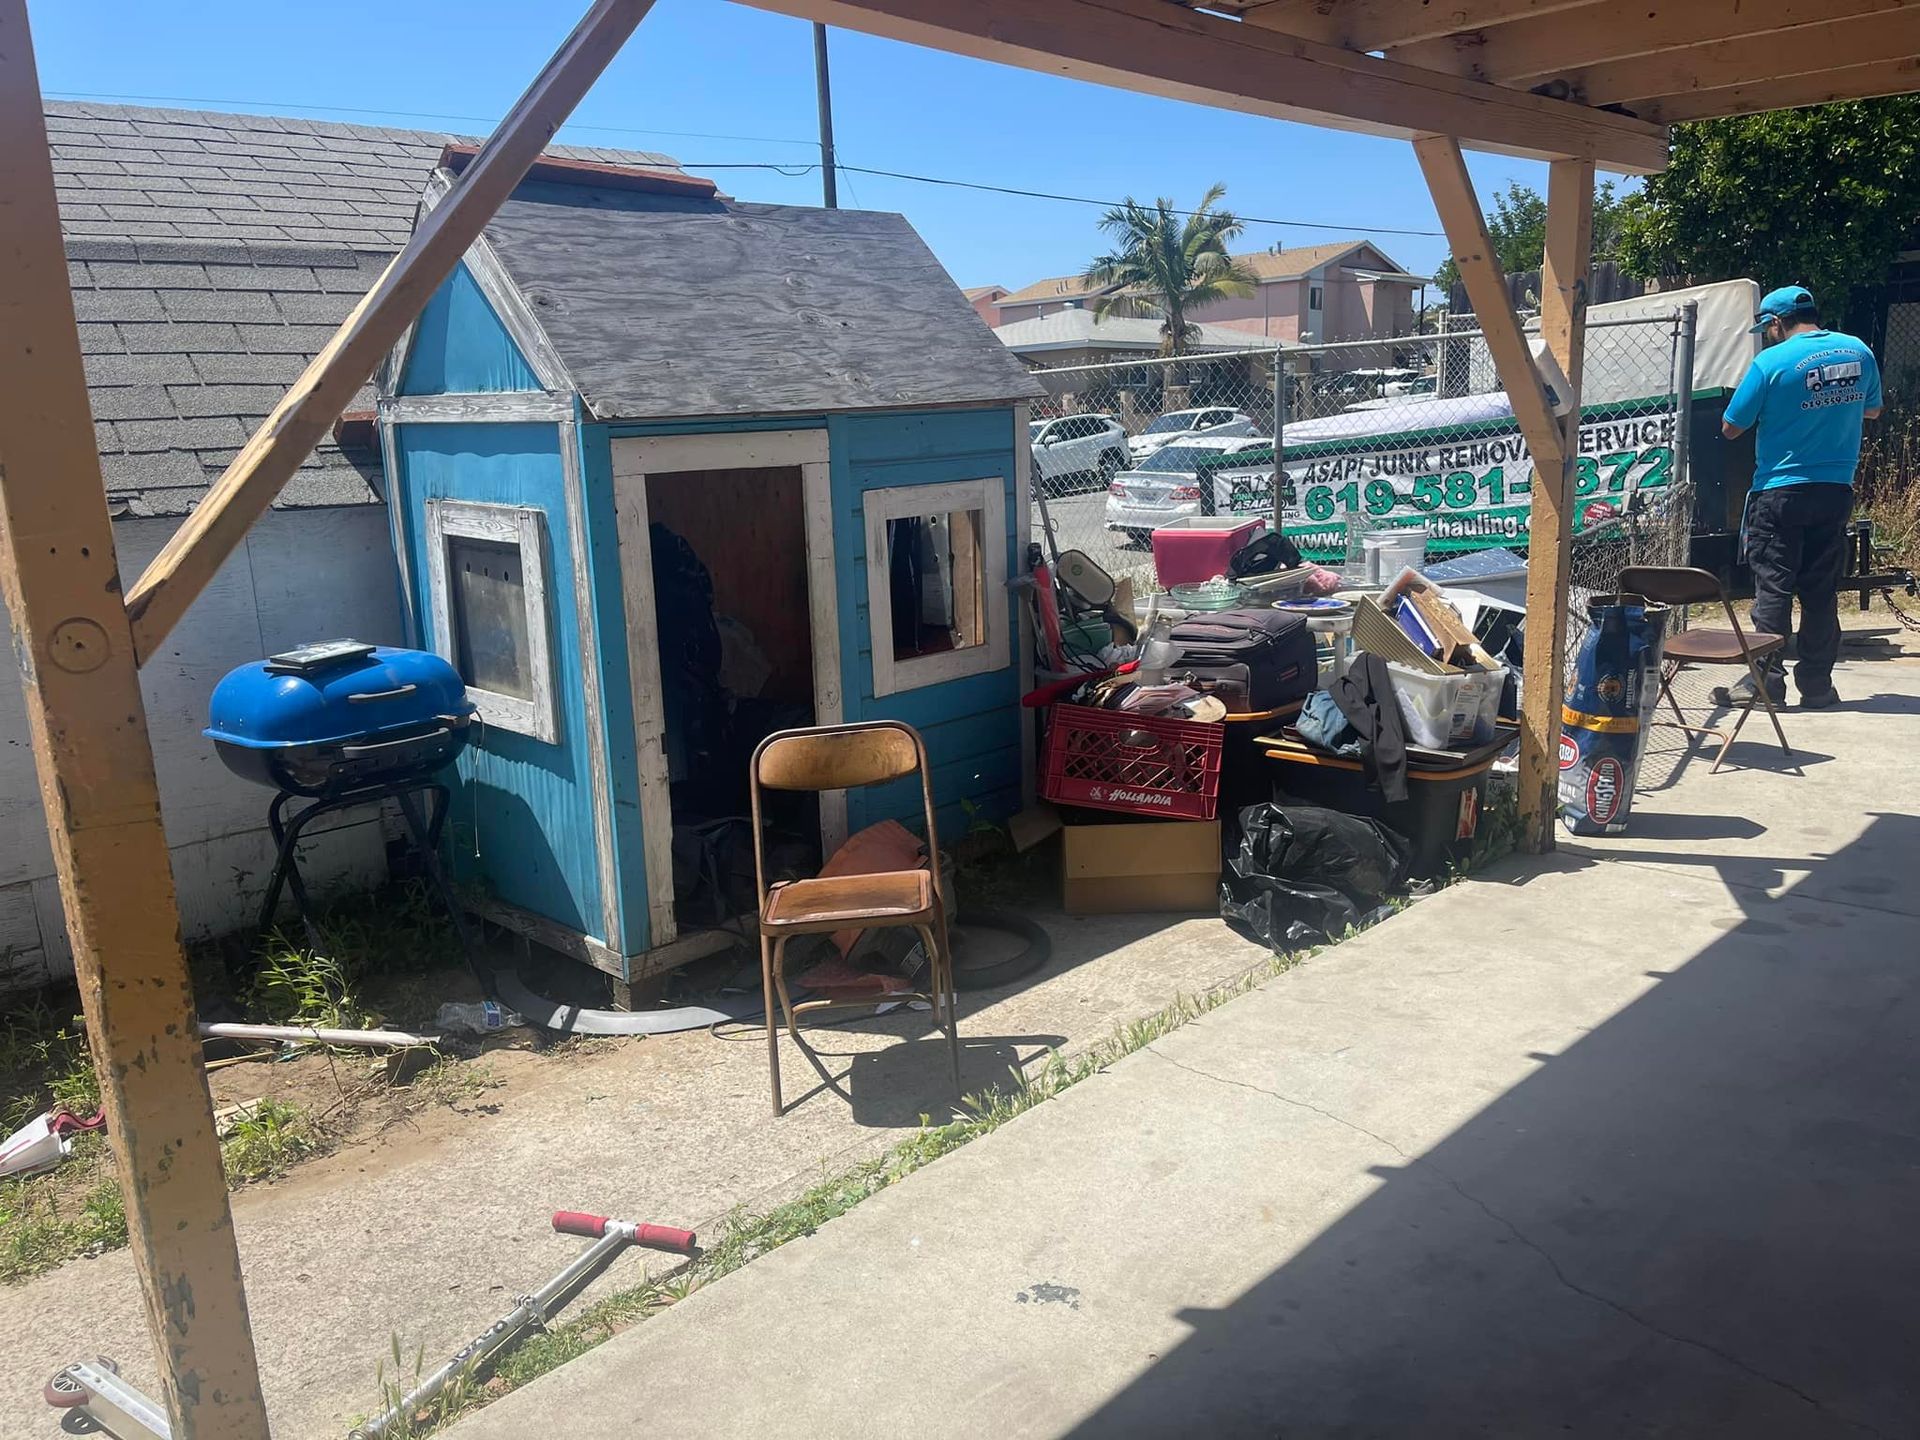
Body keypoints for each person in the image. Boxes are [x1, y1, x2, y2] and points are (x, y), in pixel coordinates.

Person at [1719, 284, 1882, 709]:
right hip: (1835, 489)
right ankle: (1817, 686)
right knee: (1820, 590)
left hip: (1781, 489)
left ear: (1776, 322)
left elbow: (1731, 426)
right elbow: (1872, 409)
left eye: (1766, 327)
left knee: (1773, 587)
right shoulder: (1858, 351)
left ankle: (1766, 683)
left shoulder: (1770, 362)